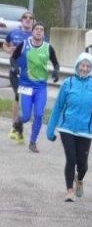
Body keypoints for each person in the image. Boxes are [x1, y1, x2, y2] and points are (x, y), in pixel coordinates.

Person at [46, 52, 92, 202]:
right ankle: (69, 190)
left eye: (88, 66)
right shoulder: (68, 83)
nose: (85, 68)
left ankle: (80, 179)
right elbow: (58, 107)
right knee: (71, 159)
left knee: (83, 164)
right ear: (77, 66)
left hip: (85, 131)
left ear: (91, 68)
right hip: (67, 128)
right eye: (82, 65)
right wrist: (50, 129)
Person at [11, 21, 60, 153]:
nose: (38, 31)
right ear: (32, 32)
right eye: (36, 29)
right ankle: (18, 122)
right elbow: (13, 58)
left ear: (44, 34)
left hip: (40, 87)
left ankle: (33, 142)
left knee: (38, 114)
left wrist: (56, 72)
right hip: (26, 85)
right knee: (26, 116)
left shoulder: (48, 48)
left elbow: (56, 63)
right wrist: (15, 68)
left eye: (41, 30)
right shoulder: (24, 44)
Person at [4, 9, 33, 142]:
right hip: (15, 71)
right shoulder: (14, 33)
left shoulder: (37, 35)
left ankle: (19, 129)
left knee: (27, 100)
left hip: (30, 74)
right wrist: (7, 49)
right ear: (21, 21)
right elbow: (5, 44)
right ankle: (14, 127)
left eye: (30, 18)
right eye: (25, 17)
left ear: (33, 21)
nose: (28, 19)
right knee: (18, 96)